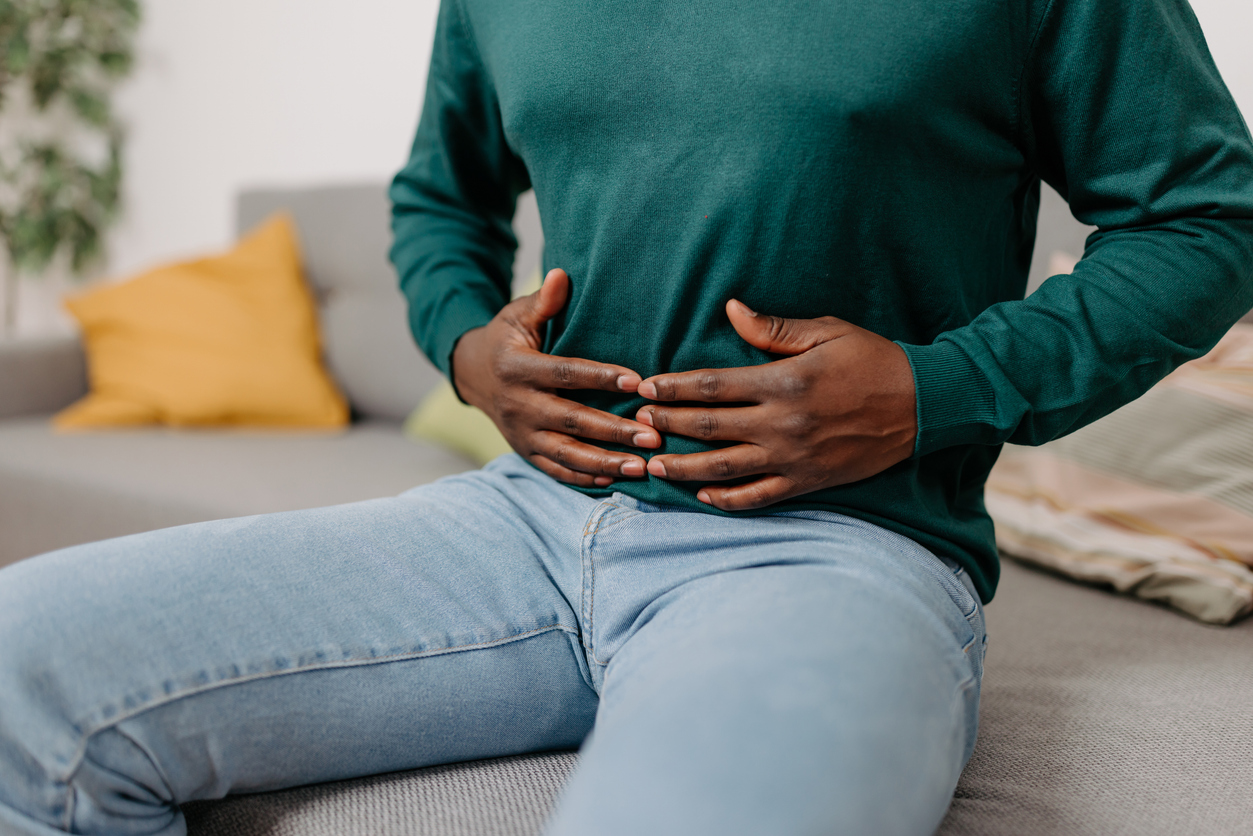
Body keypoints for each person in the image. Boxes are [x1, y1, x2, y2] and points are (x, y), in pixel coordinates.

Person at [2, 0, 1251, 834]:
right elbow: (439, 196)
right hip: (518, 528)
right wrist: (466, 349)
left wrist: (942, 388)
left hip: (830, 549)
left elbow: (1207, 216)